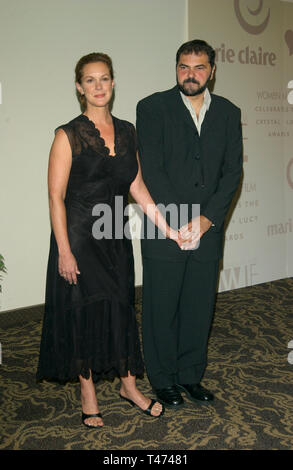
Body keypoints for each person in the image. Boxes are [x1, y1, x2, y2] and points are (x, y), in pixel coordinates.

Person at [36, 52, 182, 428]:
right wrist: (64, 252)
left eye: (104, 79)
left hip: (114, 235)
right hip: (80, 239)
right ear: (79, 86)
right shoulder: (67, 134)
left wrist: (167, 227)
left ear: (113, 83)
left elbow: (137, 185)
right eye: (90, 80)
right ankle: (88, 394)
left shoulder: (128, 130)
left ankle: (128, 386)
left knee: (120, 308)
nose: (98, 86)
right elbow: (55, 196)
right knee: (84, 311)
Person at [136, 39, 243, 408]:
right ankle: (163, 380)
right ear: (176, 68)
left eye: (199, 67)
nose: (191, 74)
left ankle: (189, 376)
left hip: (208, 229)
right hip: (163, 228)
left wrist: (207, 219)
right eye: (184, 66)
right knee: (161, 308)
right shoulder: (151, 108)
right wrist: (180, 222)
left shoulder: (229, 112)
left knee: (199, 308)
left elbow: (232, 173)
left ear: (212, 70)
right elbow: (152, 169)